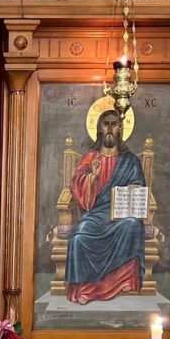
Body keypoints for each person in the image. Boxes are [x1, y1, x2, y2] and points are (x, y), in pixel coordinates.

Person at [66, 109, 148, 304]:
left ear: (120, 129)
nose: (110, 128)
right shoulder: (90, 158)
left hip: (120, 216)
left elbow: (139, 189)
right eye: (106, 124)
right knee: (78, 238)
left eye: (114, 124)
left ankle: (124, 280)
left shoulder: (131, 161)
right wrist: (92, 176)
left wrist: (133, 189)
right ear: (99, 129)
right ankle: (86, 289)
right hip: (95, 215)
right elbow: (78, 187)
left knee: (132, 224)